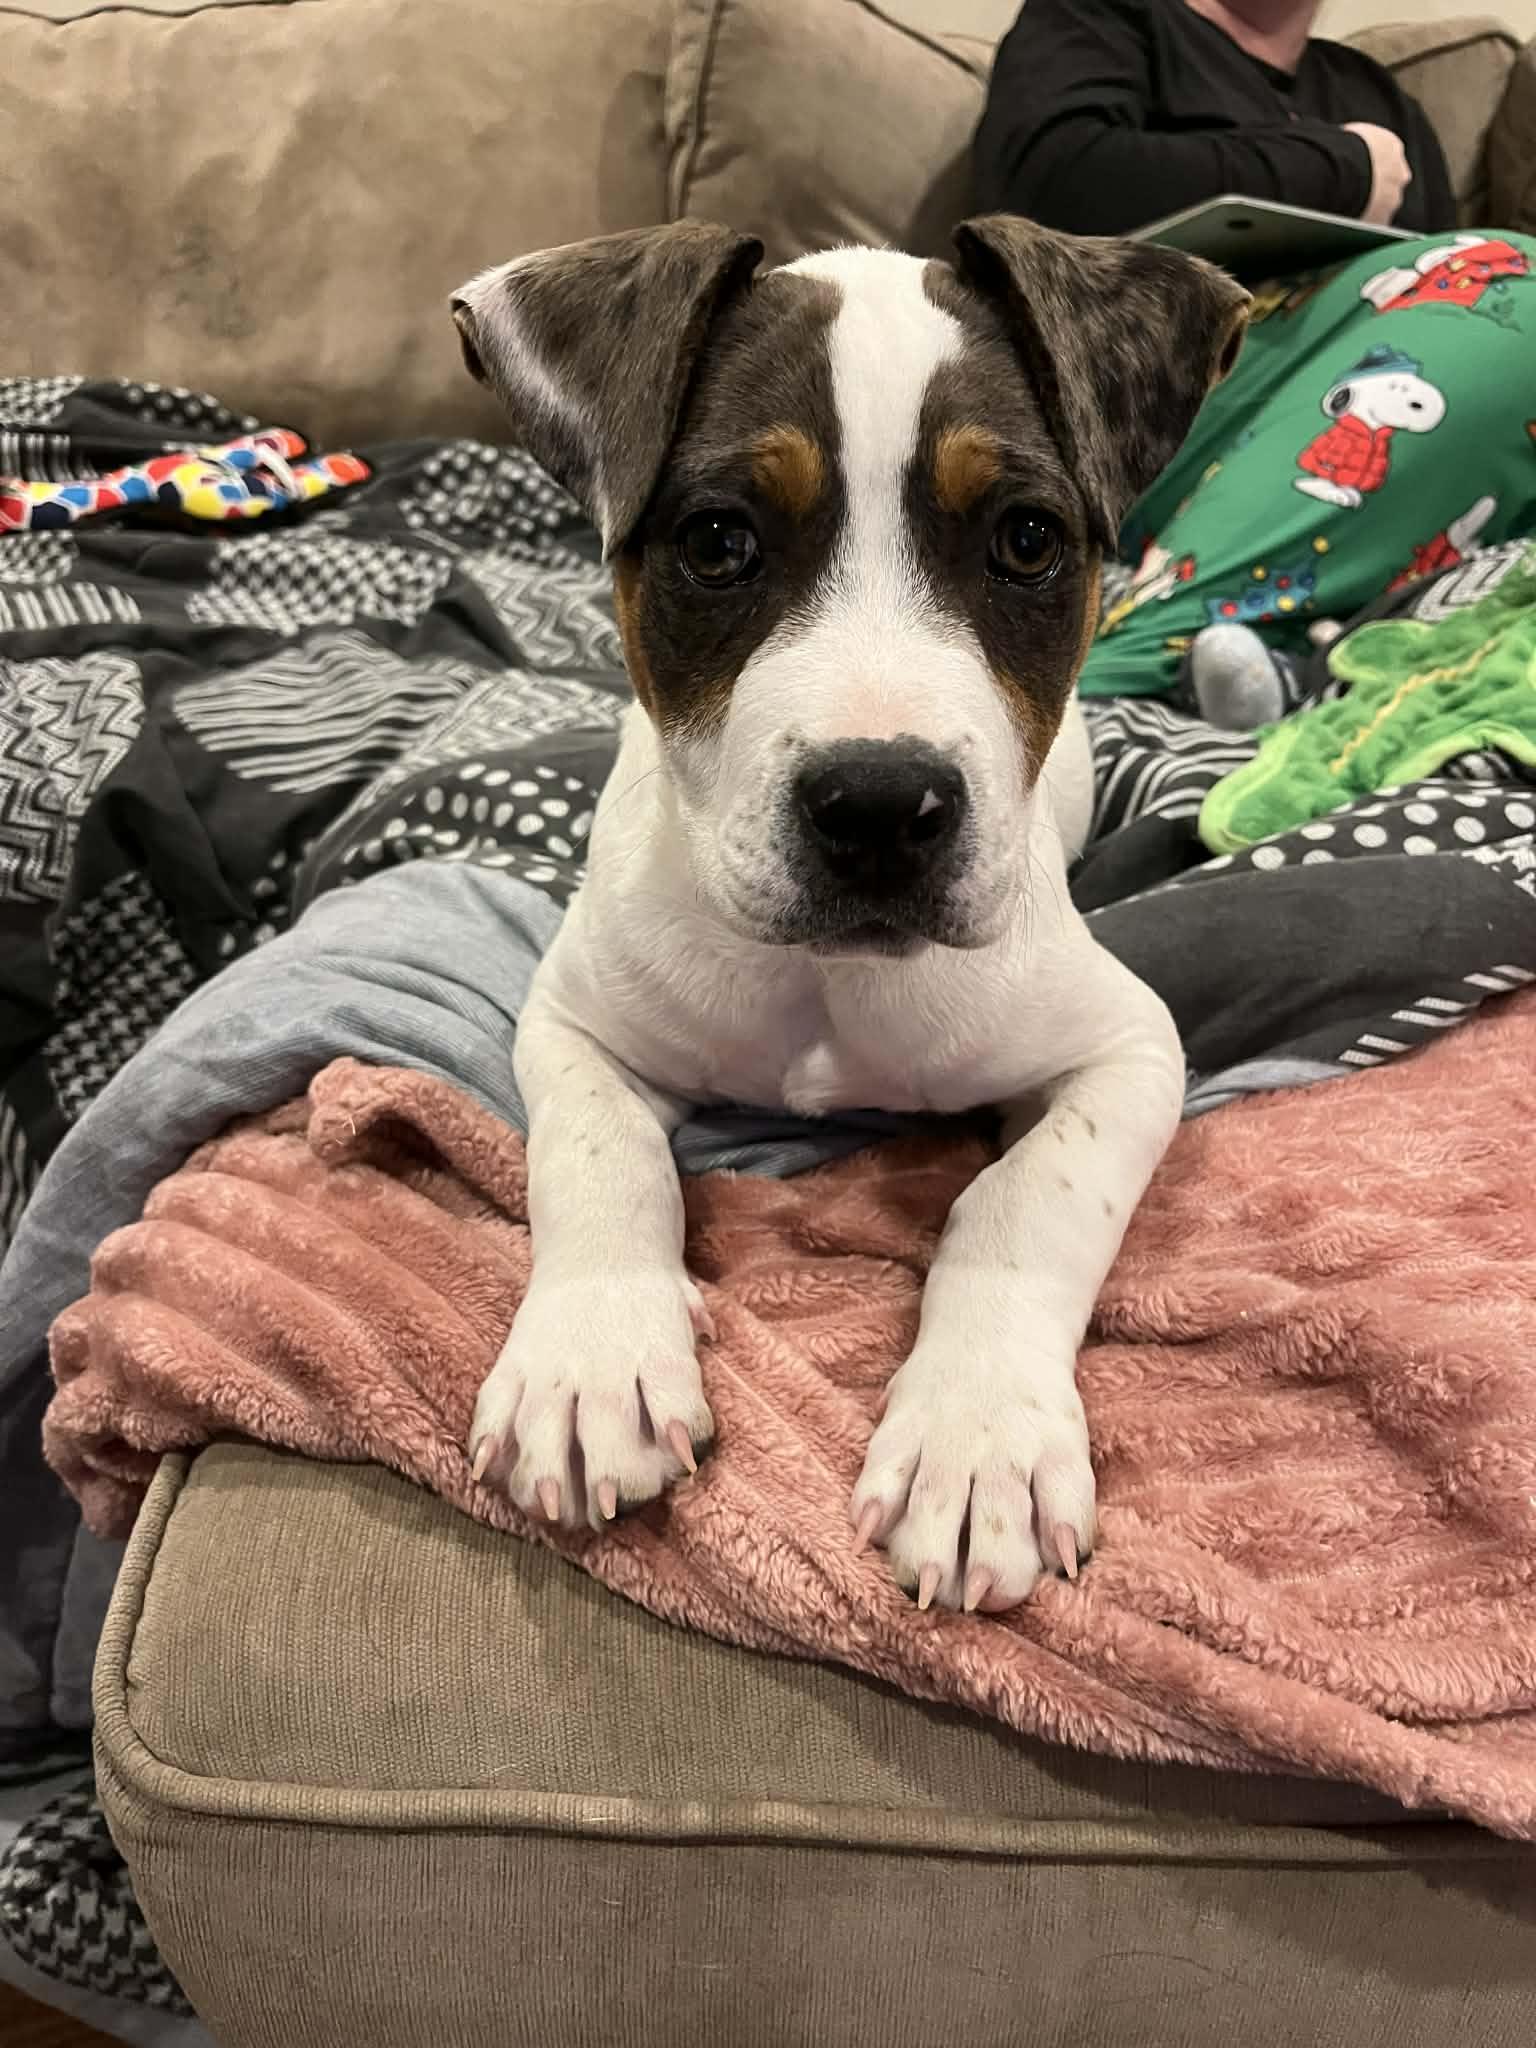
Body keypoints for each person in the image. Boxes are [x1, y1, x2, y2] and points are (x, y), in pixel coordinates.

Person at [975, 0, 1536, 721]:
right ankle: (1132, 668)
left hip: (1359, 406)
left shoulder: (1377, 92)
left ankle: (1299, 662)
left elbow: (1463, 353)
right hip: (1145, 411)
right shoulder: (1104, 18)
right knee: (1502, 274)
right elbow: (1043, 185)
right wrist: (1347, 167)